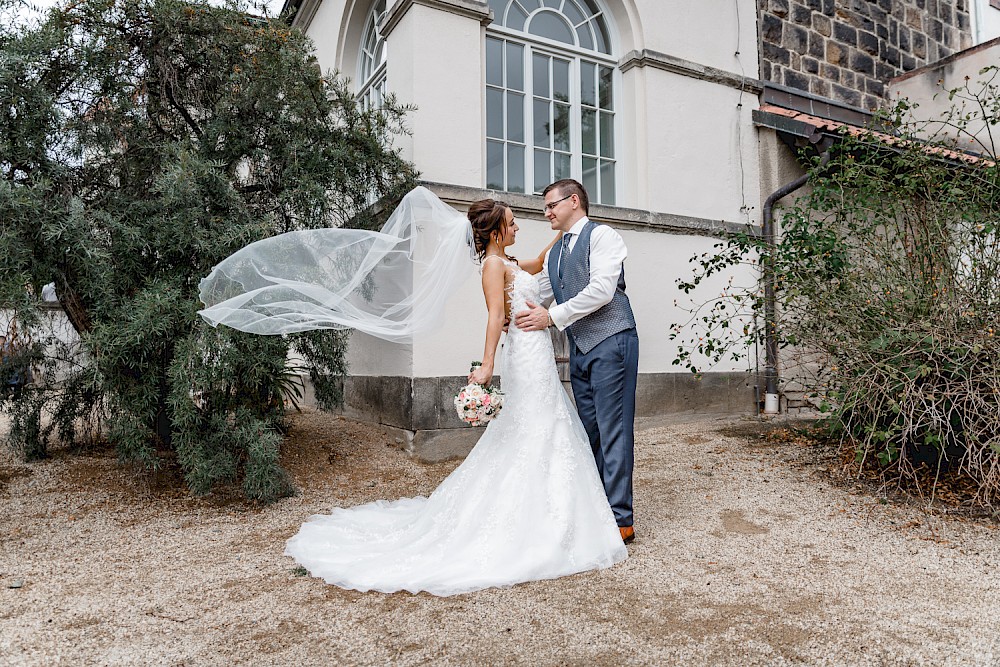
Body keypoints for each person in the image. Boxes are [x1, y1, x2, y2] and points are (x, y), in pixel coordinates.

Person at [199, 187, 628, 596]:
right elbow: (496, 317)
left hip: (536, 352)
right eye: (513, 222)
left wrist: (562, 238)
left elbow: (534, 265)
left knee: (541, 425)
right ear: (496, 230)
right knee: (534, 426)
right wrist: (488, 366)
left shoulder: (510, 260)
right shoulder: (492, 267)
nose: (518, 227)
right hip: (524, 354)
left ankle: (557, 509)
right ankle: (539, 516)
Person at [514, 179, 639, 544]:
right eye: (545, 208)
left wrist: (551, 318)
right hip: (580, 349)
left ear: (573, 201)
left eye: (551, 205)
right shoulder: (554, 254)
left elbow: (601, 289)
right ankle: (598, 506)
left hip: (612, 341)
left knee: (613, 427)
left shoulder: (603, 237)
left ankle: (621, 519)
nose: (547, 212)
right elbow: (541, 294)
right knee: (591, 430)